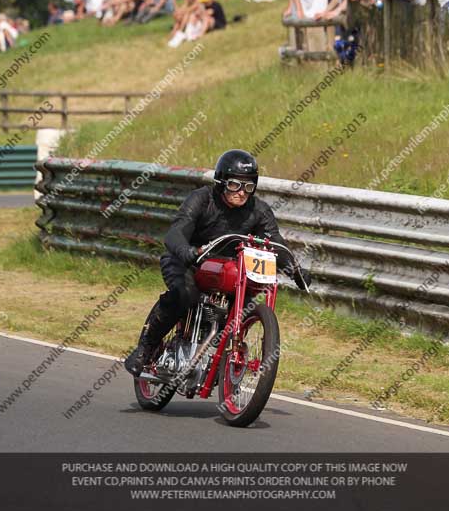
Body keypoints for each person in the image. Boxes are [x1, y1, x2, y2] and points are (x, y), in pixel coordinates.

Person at [124, 149, 311, 377]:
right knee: (185, 295)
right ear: (221, 182)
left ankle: (225, 357)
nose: (242, 192)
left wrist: (294, 269)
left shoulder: (259, 210)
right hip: (188, 262)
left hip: (228, 270)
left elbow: (275, 242)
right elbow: (176, 232)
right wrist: (187, 251)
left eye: (248, 186)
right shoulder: (201, 199)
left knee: (246, 305)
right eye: (235, 185)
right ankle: (145, 348)